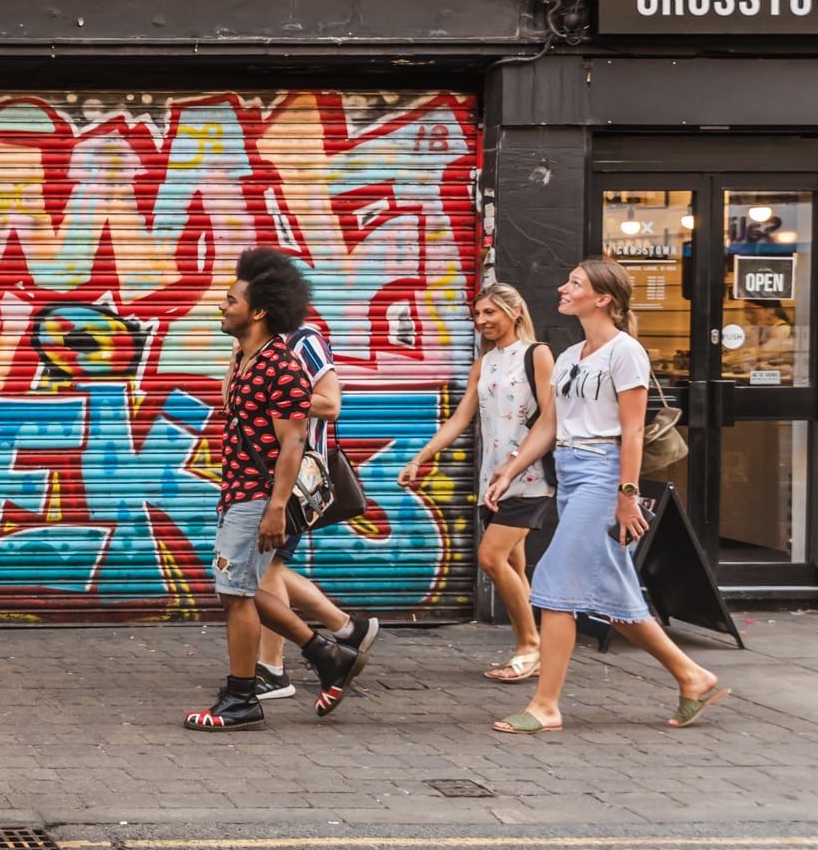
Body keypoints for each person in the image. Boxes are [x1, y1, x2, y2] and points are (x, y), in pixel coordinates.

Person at [494, 261, 730, 735]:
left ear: (602, 298)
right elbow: (549, 424)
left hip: (604, 474)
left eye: (575, 283)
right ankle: (693, 676)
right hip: (572, 472)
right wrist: (511, 468)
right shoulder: (570, 356)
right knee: (611, 597)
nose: (563, 288)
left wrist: (627, 494)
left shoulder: (626, 353)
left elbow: (633, 431)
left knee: (556, 584)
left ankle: (546, 706)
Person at [184, 260, 365, 731]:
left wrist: (276, 509)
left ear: (259, 311)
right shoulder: (249, 359)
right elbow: (229, 406)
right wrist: (235, 354)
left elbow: (293, 442)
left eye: (231, 301)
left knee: (236, 595)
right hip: (239, 492)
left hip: (259, 497)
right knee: (240, 589)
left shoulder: (282, 367)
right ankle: (329, 657)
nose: (221, 307)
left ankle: (243, 697)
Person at [237, 249, 380, 703]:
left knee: (265, 570)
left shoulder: (304, 340)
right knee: (267, 567)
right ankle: (347, 627)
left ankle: (274, 670)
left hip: (295, 477)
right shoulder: (255, 340)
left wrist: (274, 398)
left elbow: (330, 402)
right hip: (255, 474)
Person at [398, 283, 558, 683]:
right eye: (478, 314)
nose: (482, 321)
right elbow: (459, 419)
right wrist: (420, 458)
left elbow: (551, 420)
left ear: (514, 311)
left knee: (490, 558)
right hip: (493, 480)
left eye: (490, 313)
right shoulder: (484, 363)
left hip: (529, 477)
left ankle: (529, 647)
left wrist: (517, 466)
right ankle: (536, 646)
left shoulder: (537, 355)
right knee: (514, 564)